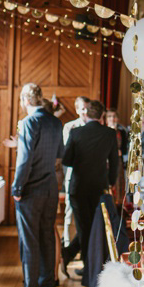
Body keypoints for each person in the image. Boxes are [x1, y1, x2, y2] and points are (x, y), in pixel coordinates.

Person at [3, 83, 63, 287]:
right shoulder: (55, 122)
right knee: (47, 237)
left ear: (26, 100)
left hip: (30, 189)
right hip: (50, 188)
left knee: (29, 241)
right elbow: (59, 155)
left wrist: (17, 188)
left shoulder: (29, 122)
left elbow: (24, 159)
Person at [60, 100, 119, 275]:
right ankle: (87, 268)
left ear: (86, 114)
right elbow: (114, 162)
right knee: (92, 226)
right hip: (99, 187)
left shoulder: (76, 132)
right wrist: (110, 182)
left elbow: (66, 160)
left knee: (85, 227)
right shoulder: (109, 134)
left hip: (77, 187)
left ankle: (80, 262)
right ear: (102, 115)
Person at [62, 97, 90, 249]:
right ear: (77, 109)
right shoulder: (69, 127)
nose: (85, 111)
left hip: (89, 176)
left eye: (87, 108)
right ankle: (67, 241)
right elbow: (68, 151)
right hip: (73, 173)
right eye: (82, 108)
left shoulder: (93, 126)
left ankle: (82, 245)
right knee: (69, 210)